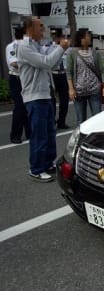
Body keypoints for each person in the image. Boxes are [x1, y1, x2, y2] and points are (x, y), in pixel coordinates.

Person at [17, 17, 70, 182]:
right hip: (34, 96)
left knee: (49, 132)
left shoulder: (36, 45)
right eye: (40, 26)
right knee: (39, 134)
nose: (43, 29)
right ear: (29, 28)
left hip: (45, 94)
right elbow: (46, 62)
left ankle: (48, 163)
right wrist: (61, 48)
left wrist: (58, 47)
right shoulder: (24, 47)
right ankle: (36, 169)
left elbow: (52, 64)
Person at [66, 29, 104, 125]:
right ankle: (82, 139)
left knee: (97, 119)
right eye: (87, 36)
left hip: (95, 91)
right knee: (81, 121)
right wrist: (71, 89)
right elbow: (69, 72)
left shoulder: (95, 53)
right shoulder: (72, 53)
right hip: (79, 92)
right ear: (81, 38)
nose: (89, 38)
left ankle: (97, 139)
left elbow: (103, 70)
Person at [6, 27, 30, 144]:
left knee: (27, 105)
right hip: (16, 78)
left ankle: (29, 132)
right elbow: (13, 63)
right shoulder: (12, 46)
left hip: (26, 78)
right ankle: (15, 134)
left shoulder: (27, 46)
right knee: (20, 106)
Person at [42, 28, 70, 129]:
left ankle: (61, 121)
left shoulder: (67, 47)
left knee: (64, 100)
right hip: (53, 74)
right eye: (53, 35)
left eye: (56, 35)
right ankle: (52, 121)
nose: (55, 37)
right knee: (52, 100)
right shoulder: (47, 47)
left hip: (63, 74)